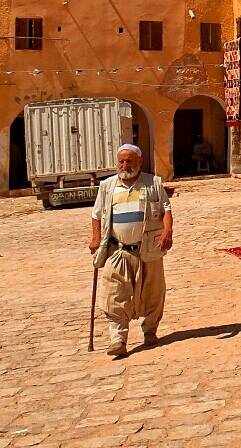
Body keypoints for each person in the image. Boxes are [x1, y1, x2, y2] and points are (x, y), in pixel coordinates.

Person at [88, 144, 173, 357]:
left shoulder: (153, 183)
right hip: (117, 250)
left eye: (129, 161)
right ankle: (118, 340)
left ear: (139, 162)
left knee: (153, 292)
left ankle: (150, 330)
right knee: (114, 294)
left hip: (149, 248)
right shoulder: (107, 186)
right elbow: (96, 215)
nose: (125, 165)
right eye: (121, 161)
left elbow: (166, 209)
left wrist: (167, 231)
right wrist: (96, 238)